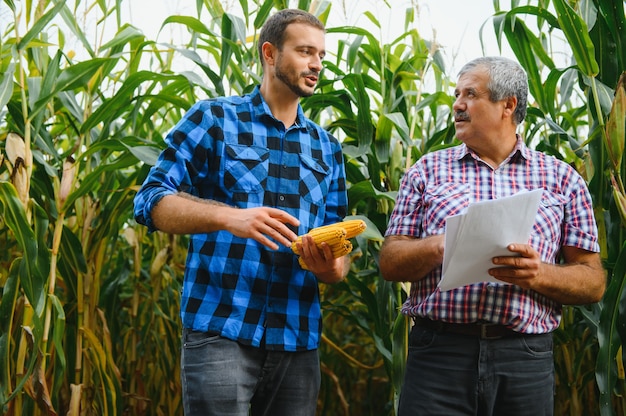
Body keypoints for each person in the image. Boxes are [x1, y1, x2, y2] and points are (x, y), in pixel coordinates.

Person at [133, 9, 349, 416]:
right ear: (270, 53)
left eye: (321, 54)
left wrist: (328, 265)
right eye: (305, 51)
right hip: (221, 330)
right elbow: (150, 200)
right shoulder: (214, 119)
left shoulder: (327, 149)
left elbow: (340, 264)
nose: (317, 64)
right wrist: (232, 217)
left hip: (297, 339)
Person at [379, 56, 605, 416]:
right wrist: (443, 243)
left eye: (470, 94)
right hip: (438, 352)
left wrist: (539, 273)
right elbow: (390, 262)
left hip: (524, 358)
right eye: (456, 94)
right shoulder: (427, 171)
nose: (457, 104)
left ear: (508, 105)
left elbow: (593, 280)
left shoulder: (562, 180)